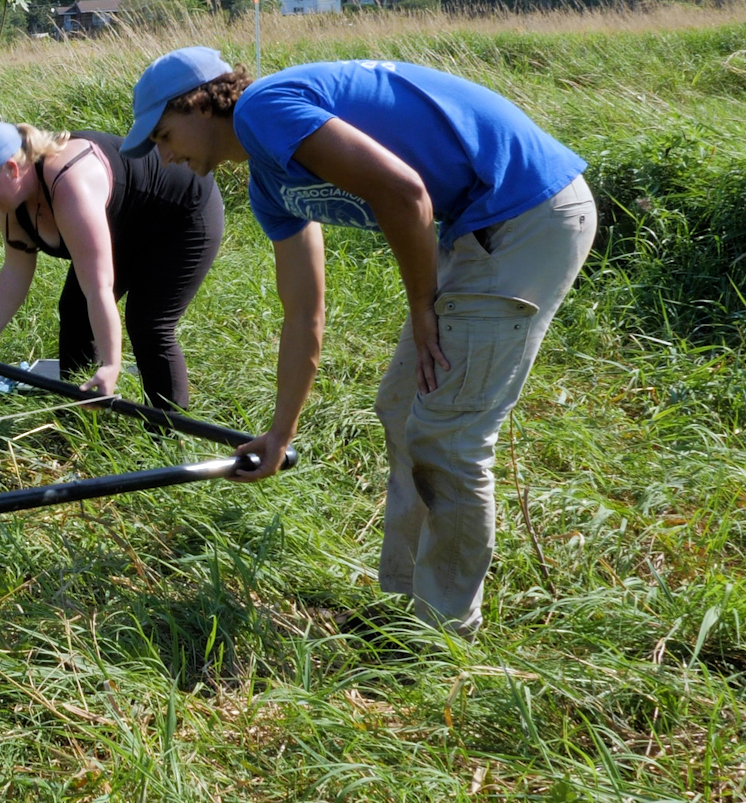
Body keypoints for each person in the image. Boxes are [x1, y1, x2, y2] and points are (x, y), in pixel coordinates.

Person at [122, 47, 594, 633]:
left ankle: (442, 635)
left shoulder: (262, 109)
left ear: (198, 102)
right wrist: (280, 433)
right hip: (478, 229)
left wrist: (423, 307)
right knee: (401, 405)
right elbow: (304, 315)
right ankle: (404, 605)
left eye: (165, 135)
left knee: (450, 433)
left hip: (526, 214)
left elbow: (404, 193)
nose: (166, 156)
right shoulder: (271, 183)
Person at [0, 120, 223, 406]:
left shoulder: (70, 182)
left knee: (148, 324)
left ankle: (168, 434)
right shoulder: (11, 202)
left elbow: (98, 287)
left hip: (181, 215)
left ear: (12, 169)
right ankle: (78, 413)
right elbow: (16, 269)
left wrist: (111, 364)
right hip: (126, 222)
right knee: (75, 311)